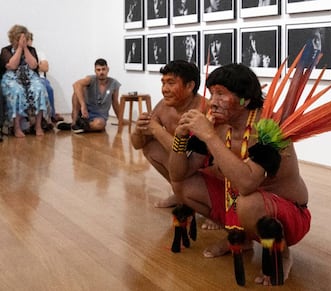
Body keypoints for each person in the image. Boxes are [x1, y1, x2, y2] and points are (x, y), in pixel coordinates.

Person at [168, 63, 311, 284]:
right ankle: (241, 238)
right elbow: (178, 175)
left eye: (221, 94)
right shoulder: (216, 124)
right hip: (240, 203)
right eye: (212, 93)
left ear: (244, 99)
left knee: (248, 201)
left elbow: (247, 184)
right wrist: (180, 137)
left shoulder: (269, 127)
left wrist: (209, 137)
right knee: (183, 187)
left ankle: (282, 254)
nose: (213, 101)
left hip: (288, 214)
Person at [130, 60, 207, 208]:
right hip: (181, 164)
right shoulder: (163, 106)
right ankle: (179, 194)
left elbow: (181, 151)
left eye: (171, 83)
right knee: (150, 147)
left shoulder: (203, 109)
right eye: (163, 83)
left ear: (190, 86)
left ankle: (212, 206)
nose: (164, 89)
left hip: (203, 166)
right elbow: (137, 145)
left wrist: (156, 129)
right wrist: (137, 130)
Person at [0, 24, 50, 138]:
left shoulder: (31, 50)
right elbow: (12, 65)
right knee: (17, 90)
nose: (22, 41)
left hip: (30, 76)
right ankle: (16, 127)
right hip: (11, 77)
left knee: (39, 88)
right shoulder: (5, 50)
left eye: (24, 39)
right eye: (19, 39)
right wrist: (19, 49)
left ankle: (38, 126)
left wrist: (25, 48)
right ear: (13, 39)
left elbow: (33, 65)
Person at [57, 58, 121, 133]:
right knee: (76, 93)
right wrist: (83, 105)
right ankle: (75, 122)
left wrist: (121, 120)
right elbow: (76, 85)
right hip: (86, 113)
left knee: (100, 124)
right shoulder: (90, 79)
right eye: (98, 70)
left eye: (103, 69)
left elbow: (115, 103)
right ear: (95, 71)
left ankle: (78, 126)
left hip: (99, 117)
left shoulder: (114, 83)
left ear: (108, 69)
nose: (101, 72)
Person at [27, 33, 63, 123]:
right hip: (26, 79)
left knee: (48, 88)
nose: (27, 42)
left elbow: (45, 68)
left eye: (29, 40)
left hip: (40, 78)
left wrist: (31, 66)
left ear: (31, 41)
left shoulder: (39, 53)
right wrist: (37, 65)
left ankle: (52, 114)